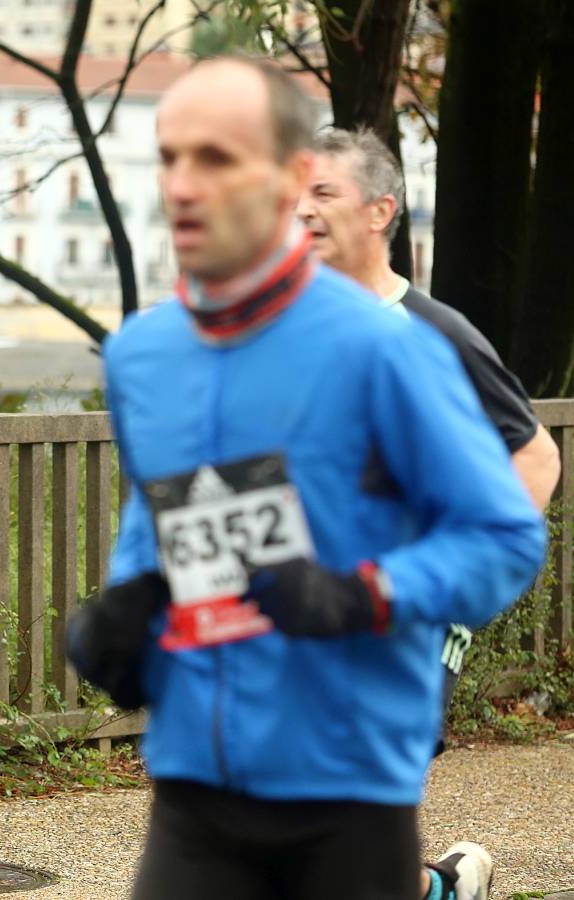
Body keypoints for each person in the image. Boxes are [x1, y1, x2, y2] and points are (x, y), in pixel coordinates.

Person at [66, 58, 546, 900]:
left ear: (290, 180)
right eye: (170, 157)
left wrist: (365, 593)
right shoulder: (143, 355)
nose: (183, 184)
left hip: (348, 793)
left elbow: (504, 537)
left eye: (216, 159)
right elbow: (162, 528)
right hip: (193, 787)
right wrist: (121, 618)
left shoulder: (385, 348)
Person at [298, 127, 563, 900]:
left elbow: (536, 455)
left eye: (325, 194)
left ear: (380, 211)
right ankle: (443, 889)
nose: (303, 211)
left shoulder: (436, 333)